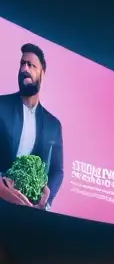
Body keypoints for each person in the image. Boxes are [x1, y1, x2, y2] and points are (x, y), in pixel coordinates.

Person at [0, 43, 64, 209]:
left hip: (30, 212)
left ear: (42, 72)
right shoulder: (1, 106)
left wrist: (46, 202)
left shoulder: (53, 125)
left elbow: (57, 169)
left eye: (31, 65)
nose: (24, 68)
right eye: (22, 63)